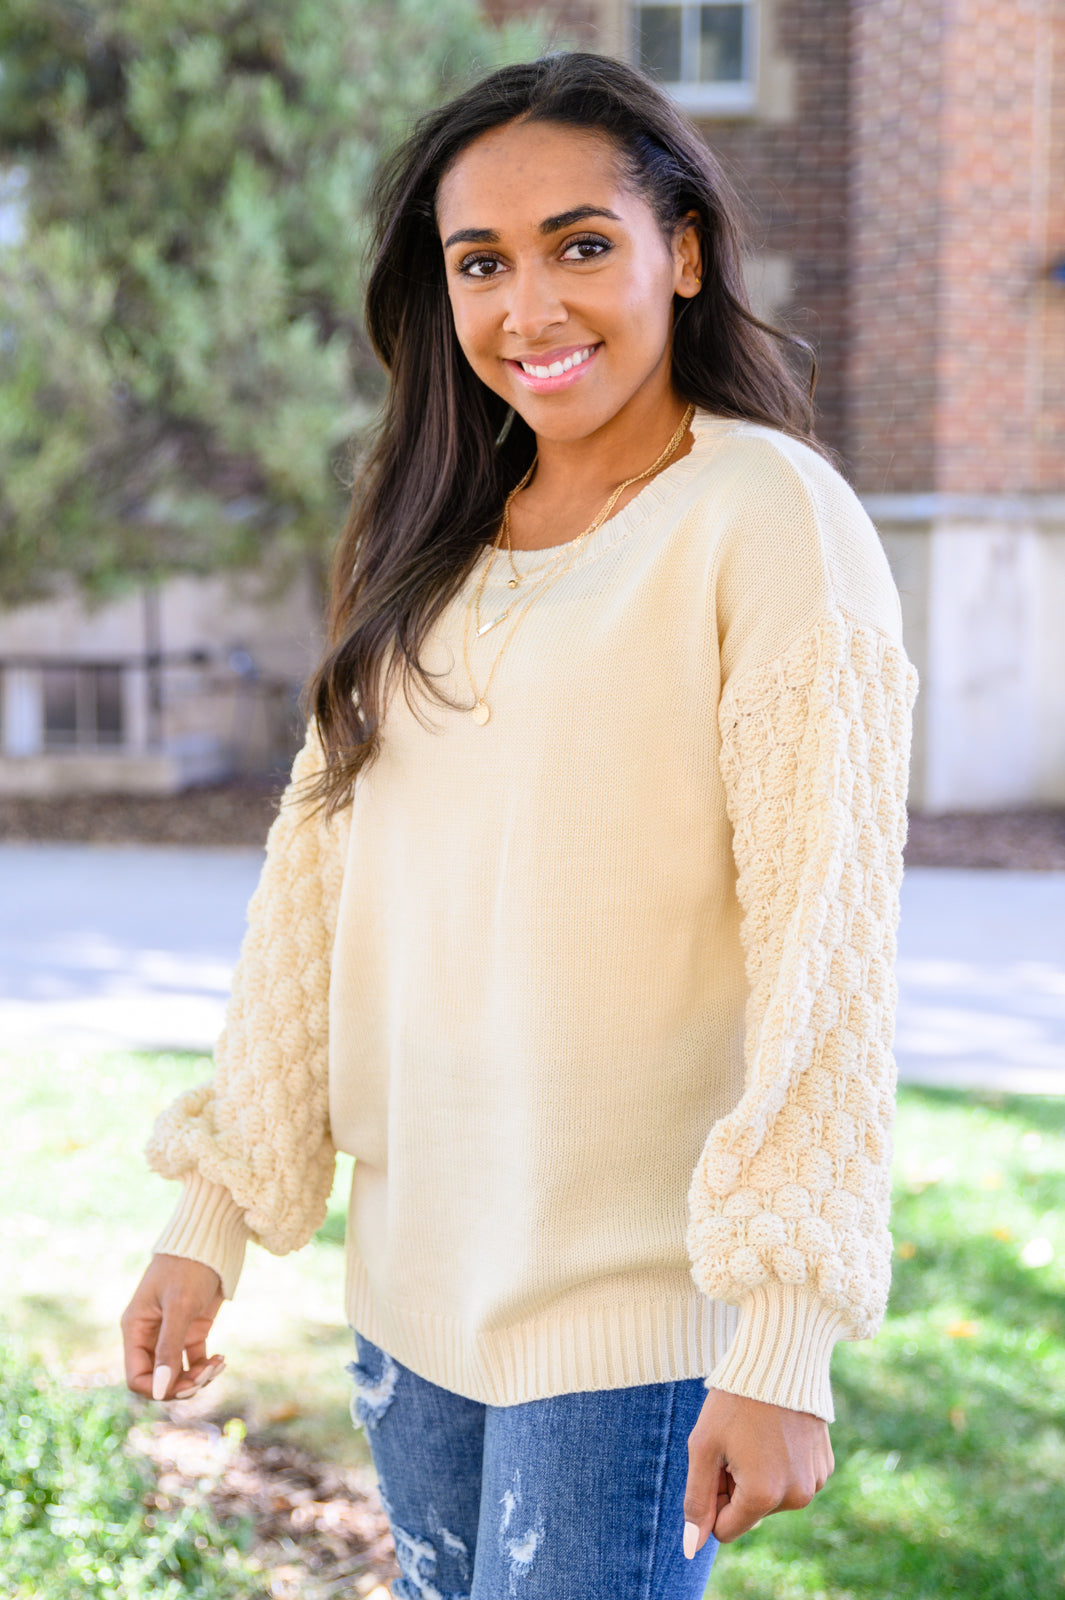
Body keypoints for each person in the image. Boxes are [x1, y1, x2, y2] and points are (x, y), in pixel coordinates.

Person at [121, 50, 918, 1600]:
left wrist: (787, 1335)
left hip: (631, 1327)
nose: (528, 309)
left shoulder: (765, 515)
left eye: (581, 245)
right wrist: (206, 1214)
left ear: (680, 253)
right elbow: (317, 893)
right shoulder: (429, 537)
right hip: (412, 1300)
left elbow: (824, 942)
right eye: (480, 262)